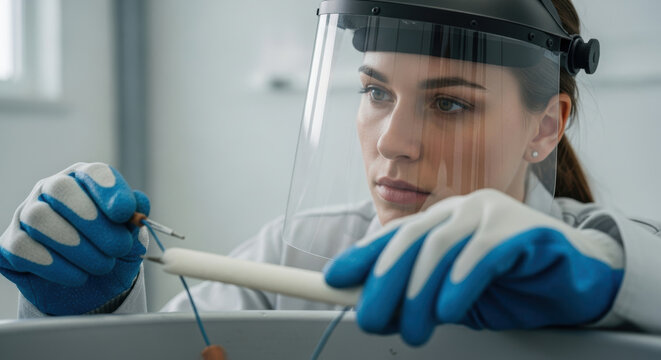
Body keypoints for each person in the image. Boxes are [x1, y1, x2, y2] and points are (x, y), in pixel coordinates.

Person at [1, 0, 660, 347]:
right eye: (375, 92)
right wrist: (88, 314)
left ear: (545, 126)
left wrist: (606, 282)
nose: (395, 144)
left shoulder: (592, 266)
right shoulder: (292, 262)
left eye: (450, 103)